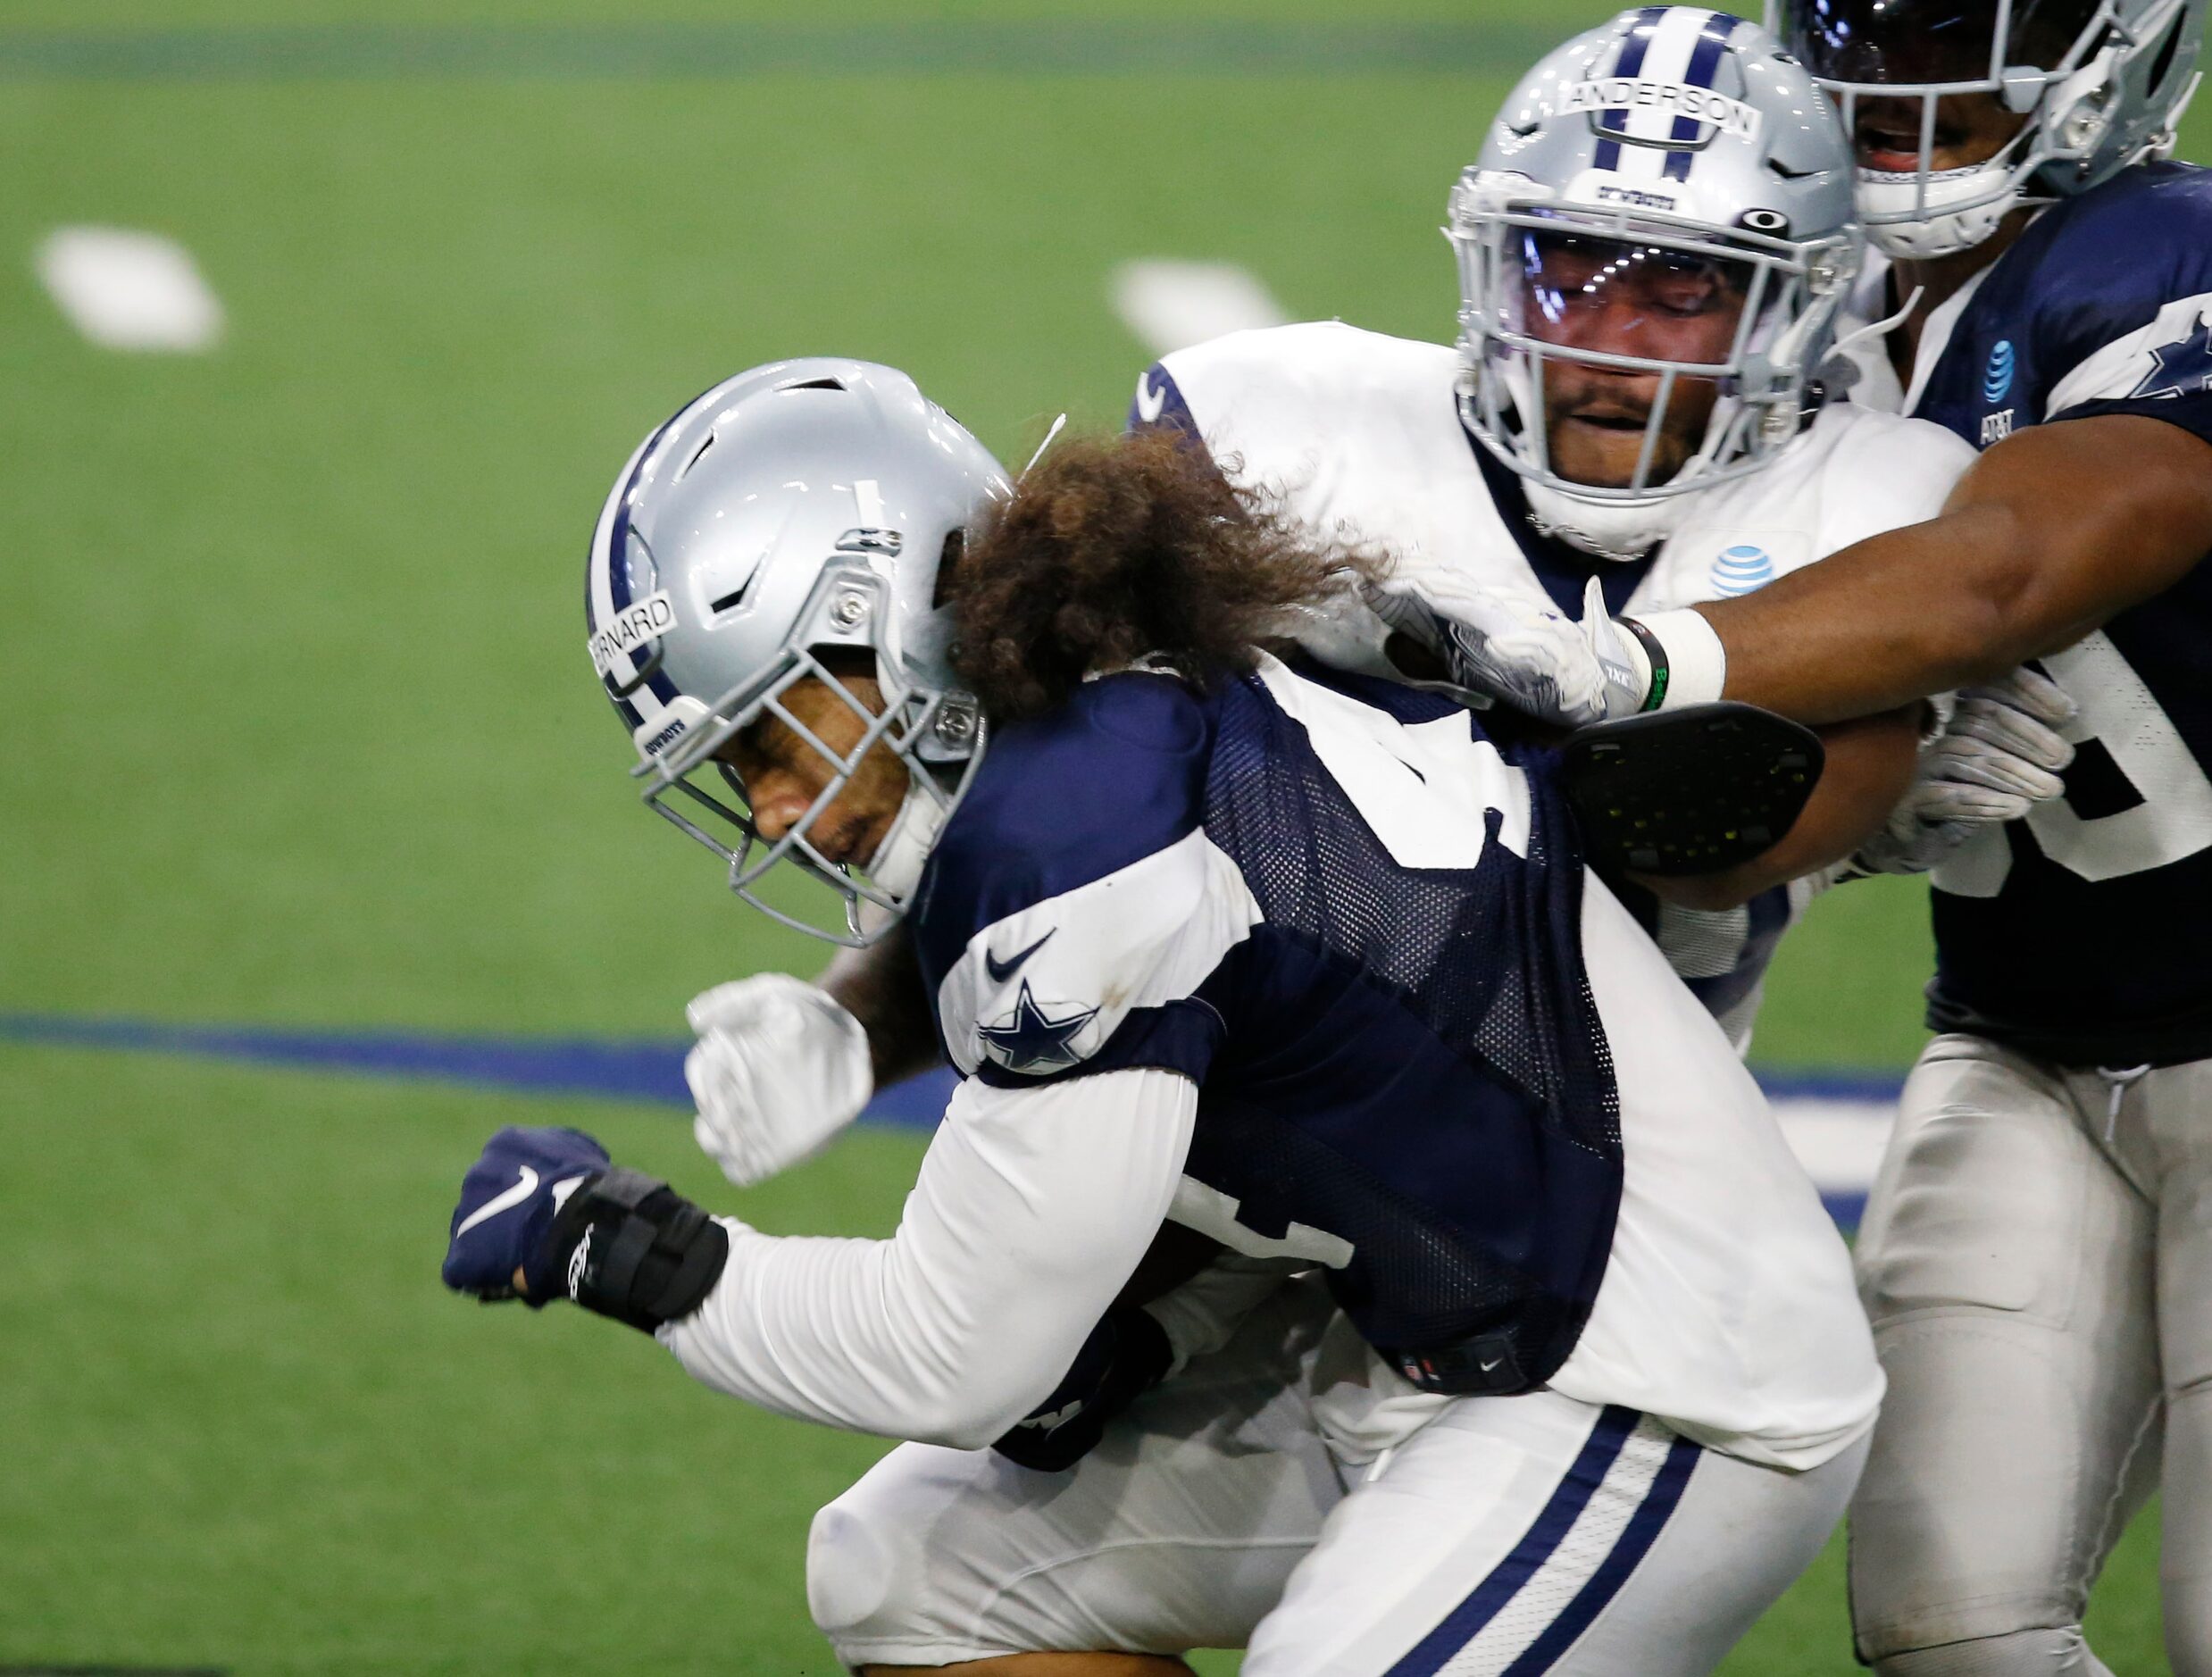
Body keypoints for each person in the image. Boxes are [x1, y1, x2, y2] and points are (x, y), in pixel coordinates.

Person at [447, 359, 1882, 1674]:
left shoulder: (1073, 843)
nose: (766, 803)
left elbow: (950, 1355)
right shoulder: (1098, 724)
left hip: (1654, 1380)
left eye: (770, 732)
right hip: (1436, 1333)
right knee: (913, 1577)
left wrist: (622, 1245)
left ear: (886, 620)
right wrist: (1149, 1328)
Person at [1408, 0, 2212, 1669]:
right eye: (1869, 20)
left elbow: (2005, 573)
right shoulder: (1799, 302)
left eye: (1961, 28)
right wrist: (1857, 805)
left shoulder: (2162, 257)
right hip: (2023, 1035)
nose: (1903, 72)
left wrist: (1640, 665)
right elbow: (1743, 779)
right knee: (1952, 1623)